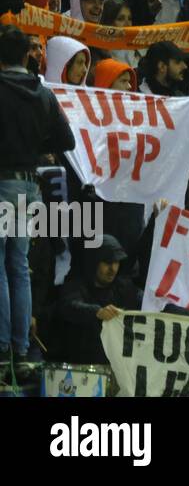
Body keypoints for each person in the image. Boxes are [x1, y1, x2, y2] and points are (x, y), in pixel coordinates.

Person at [0, 23, 75, 382]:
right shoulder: (43, 93)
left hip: (1, 185)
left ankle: (1, 349)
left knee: (0, 266)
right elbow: (67, 139)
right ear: (26, 55)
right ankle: (19, 349)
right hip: (30, 186)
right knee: (18, 267)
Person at [52, 235, 142, 366]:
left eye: (116, 262)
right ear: (94, 261)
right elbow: (69, 306)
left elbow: (146, 302)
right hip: (81, 366)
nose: (113, 269)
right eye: (107, 262)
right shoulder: (75, 286)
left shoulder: (125, 288)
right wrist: (97, 312)